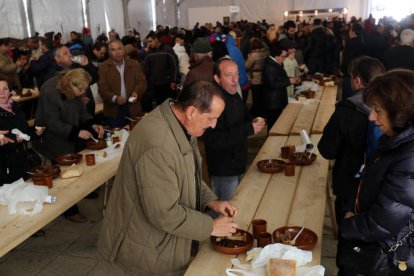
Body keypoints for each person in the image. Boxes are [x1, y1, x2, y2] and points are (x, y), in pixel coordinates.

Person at [97, 80, 238, 275]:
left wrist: (211, 201)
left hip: (162, 240)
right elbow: (164, 213)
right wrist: (210, 226)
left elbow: (188, 175)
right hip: (147, 249)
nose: (214, 125)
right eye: (211, 118)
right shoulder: (159, 144)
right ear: (191, 112)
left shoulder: (180, 123)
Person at [340, 69, 414, 274]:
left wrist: (348, 225)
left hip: (390, 255)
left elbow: (384, 221)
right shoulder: (396, 140)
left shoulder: (409, 156)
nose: (372, 117)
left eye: (378, 110)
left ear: (400, 111)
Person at [317, 56, 385, 276]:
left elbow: (327, 150)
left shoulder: (347, 110)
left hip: (350, 186)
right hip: (383, 189)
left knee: (350, 245)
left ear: (356, 80)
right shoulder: (393, 107)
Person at [33, 68, 104, 223]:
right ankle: (69, 210)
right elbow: (52, 122)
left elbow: (81, 110)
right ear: (72, 84)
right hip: (52, 135)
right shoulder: (49, 91)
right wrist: (76, 132)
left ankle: (82, 191)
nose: (84, 92)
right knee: (63, 173)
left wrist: (93, 124)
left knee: (78, 163)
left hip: (69, 128)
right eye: (82, 89)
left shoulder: (73, 87)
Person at [204, 58, 265, 201]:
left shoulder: (233, 93)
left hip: (238, 162)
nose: (235, 80)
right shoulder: (212, 102)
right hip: (223, 168)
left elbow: (242, 116)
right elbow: (213, 140)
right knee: (224, 210)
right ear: (217, 78)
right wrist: (247, 129)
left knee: (238, 206)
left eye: (237, 74)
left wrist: (252, 120)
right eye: (229, 75)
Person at [0, 74, 44, 185]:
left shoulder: (15, 107)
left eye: (5, 89)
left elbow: (24, 131)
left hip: (24, 159)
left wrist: (35, 132)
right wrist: (13, 139)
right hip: (6, 167)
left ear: (9, 90)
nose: (2, 93)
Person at [97, 40, 147, 128]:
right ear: (109, 53)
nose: (117, 52)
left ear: (123, 50)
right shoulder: (103, 67)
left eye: (119, 49)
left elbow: (142, 82)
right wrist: (115, 98)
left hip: (133, 108)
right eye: (113, 50)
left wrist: (137, 92)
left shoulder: (134, 64)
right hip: (114, 111)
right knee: (117, 138)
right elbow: (102, 89)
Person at [262, 44, 299, 131]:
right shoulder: (269, 67)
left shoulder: (276, 63)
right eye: (283, 56)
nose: (284, 59)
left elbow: (280, 78)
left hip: (276, 100)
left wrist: (291, 79)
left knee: (276, 124)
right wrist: (289, 81)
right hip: (273, 102)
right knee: (273, 126)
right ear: (276, 56)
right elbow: (272, 84)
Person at [142, 31, 179, 111]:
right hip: (155, 85)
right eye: (148, 42)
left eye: (150, 41)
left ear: (156, 40)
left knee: (169, 107)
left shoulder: (167, 50)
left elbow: (174, 65)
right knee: (160, 107)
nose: (149, 44)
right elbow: (146, 69)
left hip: (167, 84)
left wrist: (174, 81)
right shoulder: (149, 53)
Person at [245, 38, 268, 117]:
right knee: (262, 97)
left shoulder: (254, 55)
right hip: (264, 76)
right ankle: (263, 113)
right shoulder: (265, 53)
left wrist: (248, 57)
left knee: (256, 97)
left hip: (255, 78)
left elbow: (247, 66)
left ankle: (257, 114)